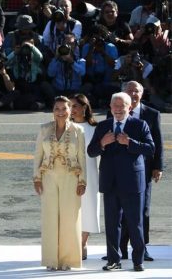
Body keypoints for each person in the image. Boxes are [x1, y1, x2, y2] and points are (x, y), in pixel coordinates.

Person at [87, 92, 155, 272]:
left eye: (122, 105)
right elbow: (91, 151)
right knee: (112, 224)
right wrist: (102, 142)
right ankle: (113, 260)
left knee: (135, 223)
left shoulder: (140, 125)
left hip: (132, 182)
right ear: (110, 108)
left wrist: (130, 142)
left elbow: (150, 149)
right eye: (114, 106)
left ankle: (138, 260)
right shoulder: (103, 126)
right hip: (110, 182)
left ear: (129, 107)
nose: (118, 109)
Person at [105, 81, 163, 262]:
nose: (134, 93)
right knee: (119, 212)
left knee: (142, 211)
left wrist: (157, 167)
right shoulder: (113, 111)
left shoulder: (152, 114)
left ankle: (142, 248)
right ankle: (119, 248)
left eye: (136, 91)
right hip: (118, 170)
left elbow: (158, 143)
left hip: (143, 170)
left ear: (142, 93)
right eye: (130, 91)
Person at [33, 96, 86, 271]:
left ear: (71, 111)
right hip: (48, 175)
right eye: (57, 109)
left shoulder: (78, 131)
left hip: (71, 177)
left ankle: (67, 260)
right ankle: (51, 260)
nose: (61, 112)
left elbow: (81, 158)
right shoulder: (44, 129)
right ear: (53, 111)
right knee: (50, 217)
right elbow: (38, 155)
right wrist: (37, 178)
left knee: (69, 218)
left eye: (64, 109)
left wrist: (82, 181)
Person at [69, 94, 100, 260]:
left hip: (90, 174)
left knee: (88, 208)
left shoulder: (95, 128)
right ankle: (71, 242)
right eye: (70, 106)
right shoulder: (66, 127)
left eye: (75, 106)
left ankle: (82, 242)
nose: (71, 110)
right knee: (70, 210)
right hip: (68, 175)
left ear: (84, 107)